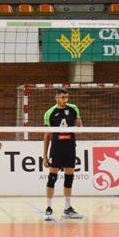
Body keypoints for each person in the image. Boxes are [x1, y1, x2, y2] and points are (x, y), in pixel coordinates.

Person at [42, 87, 84, 221]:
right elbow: (47, 135)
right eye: (62, 97)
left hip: (70, 146)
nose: (65, 100)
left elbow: (80, 126)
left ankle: (67, 208)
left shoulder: (73, 109)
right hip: (56, 147)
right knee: (52, 177)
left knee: (69, 177)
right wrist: (45, 155)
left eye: (66, 97)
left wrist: (79, 125)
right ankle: (48, 208)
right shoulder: (50, 112)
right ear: (56, 98)